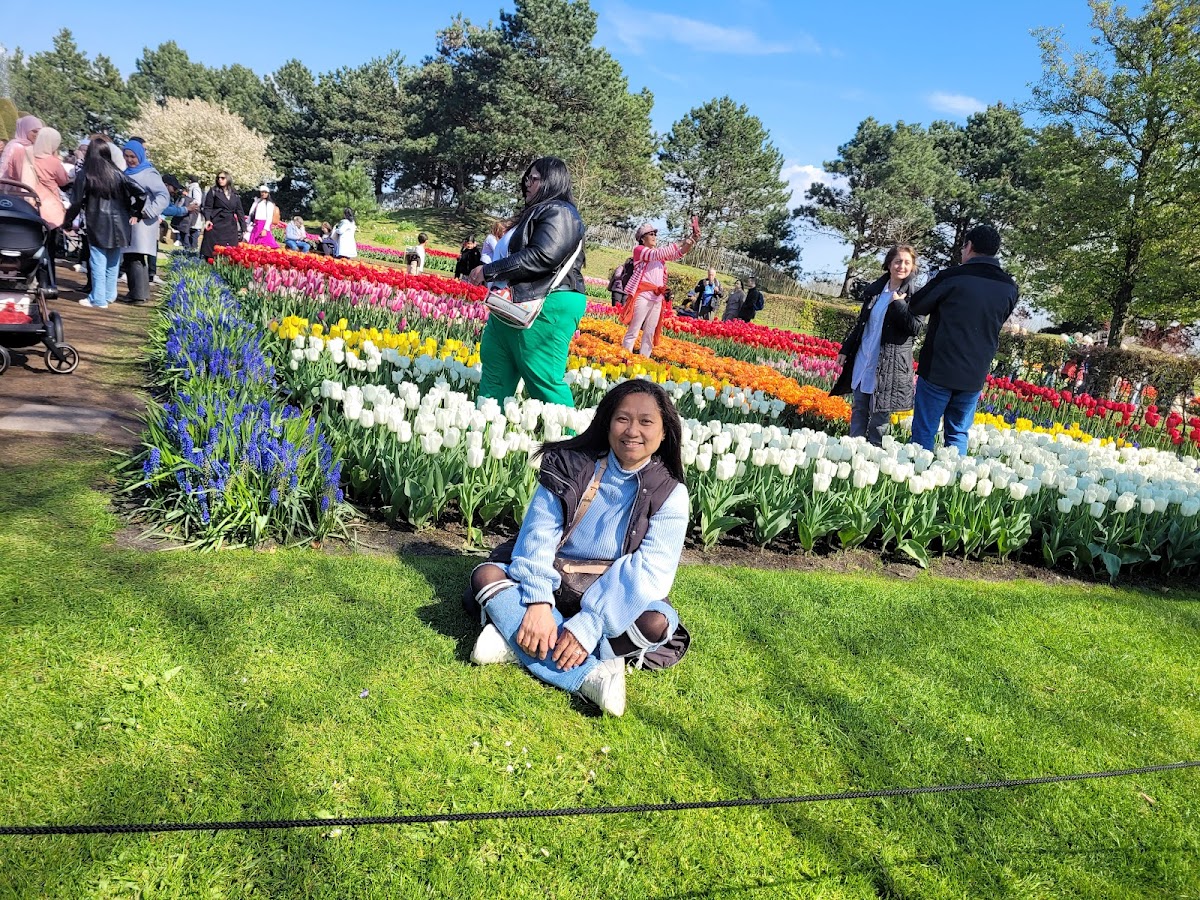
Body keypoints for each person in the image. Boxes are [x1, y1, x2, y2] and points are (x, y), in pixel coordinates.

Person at [467, 380, 691, 716]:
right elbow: (538, 535)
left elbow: (649, 571)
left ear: (663, 433)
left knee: (656, 622)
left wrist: (590, 624)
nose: (632, 431)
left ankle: (515, 642)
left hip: (612, 593)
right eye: (622, 419)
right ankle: (591, 676)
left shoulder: (670, 493)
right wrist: (538, 602)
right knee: (487, 576)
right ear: (607, 423)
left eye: (646, 422)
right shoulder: (570, 465)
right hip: (556, 579)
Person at [466, 156, 587, 406]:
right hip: (511, 304)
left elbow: (544, 255)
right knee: (495, 374)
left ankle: (567, 430)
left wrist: (490, 271)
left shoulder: (561, 212)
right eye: (527, 178)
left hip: (546, 304)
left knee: (542, 379)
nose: (527, 184)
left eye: (534, 178)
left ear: (552, 181)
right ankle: (488, 426)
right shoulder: (534, 212)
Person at [907, 224, 1019, 454]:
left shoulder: (953, 276)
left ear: (969, 246)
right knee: (958, 433)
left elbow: (916, 305)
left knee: (924, 432)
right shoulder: (1009, 287)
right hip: (975, 372)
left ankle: (917, 473)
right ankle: (953, 475)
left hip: (939, 367)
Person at [829, 245, 923, 446]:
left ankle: (873, 455)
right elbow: (862, 324)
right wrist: (846, 349)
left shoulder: (916, 296)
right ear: (889, 264)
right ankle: (852, 449)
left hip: (890, 364)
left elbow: (915, 328)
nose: (902, 266)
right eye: (898, 261)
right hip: (865, 356)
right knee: (859, 408)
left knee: (879, 416)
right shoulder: (876, 291)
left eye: (907, 262)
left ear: (913, 267)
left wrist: (899, 305)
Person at [63, 137, 141, 309]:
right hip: (120, 223)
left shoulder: (86, 173)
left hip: (98, 222)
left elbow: (76, 202)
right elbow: (141, 192)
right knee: (113, 261)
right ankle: (109, 294)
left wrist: (67, 221)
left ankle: (97, 299)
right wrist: (136, 211)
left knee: (98, 260)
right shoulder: (118, 173)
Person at [621, 219, 700, 357]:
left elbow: (679, 253)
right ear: (642, 239)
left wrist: (691, 241)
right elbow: (657, 254)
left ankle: (644, 358)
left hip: (657, 297)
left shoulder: (660, 256)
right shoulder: (640, 251)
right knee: (634, 329)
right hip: (643, 295)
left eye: (655, 234)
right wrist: (682, 241)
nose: (654, 236)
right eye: (650, 234)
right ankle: (624, 356)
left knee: (650, 332)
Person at [120, 139, 168, 304]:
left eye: (133, 156)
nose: (129, 160)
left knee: (136, 257)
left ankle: (139, 295)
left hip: (142, 221)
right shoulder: (126, 172)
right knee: (131, 257)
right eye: (126, 156)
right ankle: (136, 292)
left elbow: (163, 196)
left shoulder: (149, 173)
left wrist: (147, 212)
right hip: (129, 219)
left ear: (140, 155)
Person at [30, 128, 72, 294]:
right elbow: (63, 181)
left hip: (30, 206)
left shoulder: (28, 157)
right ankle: (48, 282)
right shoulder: (53, 162)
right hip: (50, 209)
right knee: (49, 250)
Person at [199, 171, 245, 261]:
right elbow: (208, 207)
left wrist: (243, 228)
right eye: (218, 178)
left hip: (230, 225)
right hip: (216, 222)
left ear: (228, 179)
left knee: (230, 250)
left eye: (223, 178)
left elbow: (240, 211)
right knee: (212, 249)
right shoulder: (213, 191)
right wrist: (207, 219)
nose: (220, 180)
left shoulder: (235, 194)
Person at [0, 115, 42, 186]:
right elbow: (6, 169)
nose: (37, 135)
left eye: (39, 132)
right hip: (10, 186)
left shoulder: (31, 147)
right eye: (34, 131)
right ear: (25, 130)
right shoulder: (17, 147)